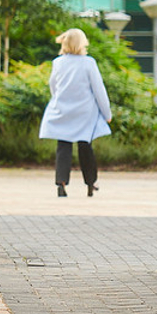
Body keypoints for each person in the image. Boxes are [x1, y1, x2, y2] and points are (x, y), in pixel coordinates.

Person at [40, 27, 112, 198]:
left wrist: (58, 100)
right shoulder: (89, 63)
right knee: (85, 146)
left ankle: (61, 183)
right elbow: (98, 90)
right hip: (84, 112)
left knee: (63, 146)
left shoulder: (58, 62)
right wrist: (106, 113)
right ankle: (90, 183)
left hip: (63, 110)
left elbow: (53, 85)